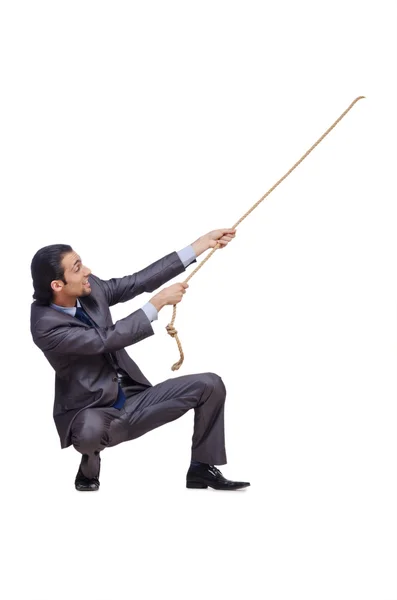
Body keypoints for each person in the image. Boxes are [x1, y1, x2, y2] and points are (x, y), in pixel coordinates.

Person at [30, 228, 250, 492]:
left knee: (210, 385)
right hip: (92, 408)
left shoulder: (90, 288)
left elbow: (137, 281)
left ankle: (201, 468)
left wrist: (199, 246)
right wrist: (156, 304)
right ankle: (90, 459)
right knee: (89, 434)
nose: (87, 270)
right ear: (57, 285)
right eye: (77, 268)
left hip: (133, 396)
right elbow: (105, 340)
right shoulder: (45, 325)